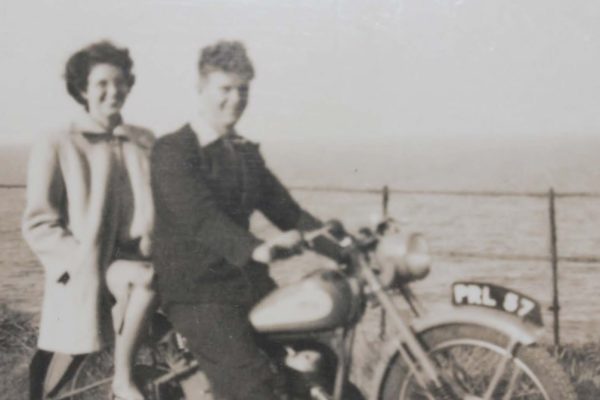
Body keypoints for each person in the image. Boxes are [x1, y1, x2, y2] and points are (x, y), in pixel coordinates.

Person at [150, 40, 341, 399]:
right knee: (254, 387)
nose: (235, 99)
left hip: (249, 288)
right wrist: (257, 250)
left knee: (324, 364)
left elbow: (289, 212)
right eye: (225, 89)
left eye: (243, 90)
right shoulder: (173, 150)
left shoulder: (244, 152)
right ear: (201, 89)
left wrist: (343, 248)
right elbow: (201, 218)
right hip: (199, 295)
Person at [22, 41, 155, 400]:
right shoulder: (57, 142)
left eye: (121, 82)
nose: (114, 91)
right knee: (58, 371)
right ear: (82, 89)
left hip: (136, 262)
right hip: (88, 269)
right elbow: (39, 223)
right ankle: (121, 381)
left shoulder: (143, 141)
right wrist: (77, 263)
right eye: (102, 84)